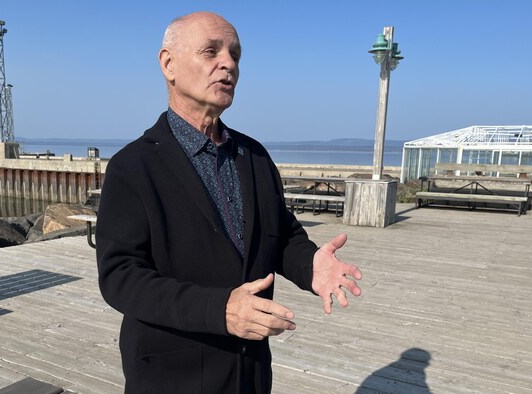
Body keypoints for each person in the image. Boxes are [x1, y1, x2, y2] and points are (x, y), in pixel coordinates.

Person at [96, 11, 362, 393]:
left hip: (248, 371)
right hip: (172, 374)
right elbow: (120, 277)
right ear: (168, 64)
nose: (229, 64)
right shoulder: (133, 167)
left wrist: (310, 264)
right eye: (211, 51)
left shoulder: (253, 156)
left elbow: (279, 233)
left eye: (235, 54)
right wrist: (218, 310)